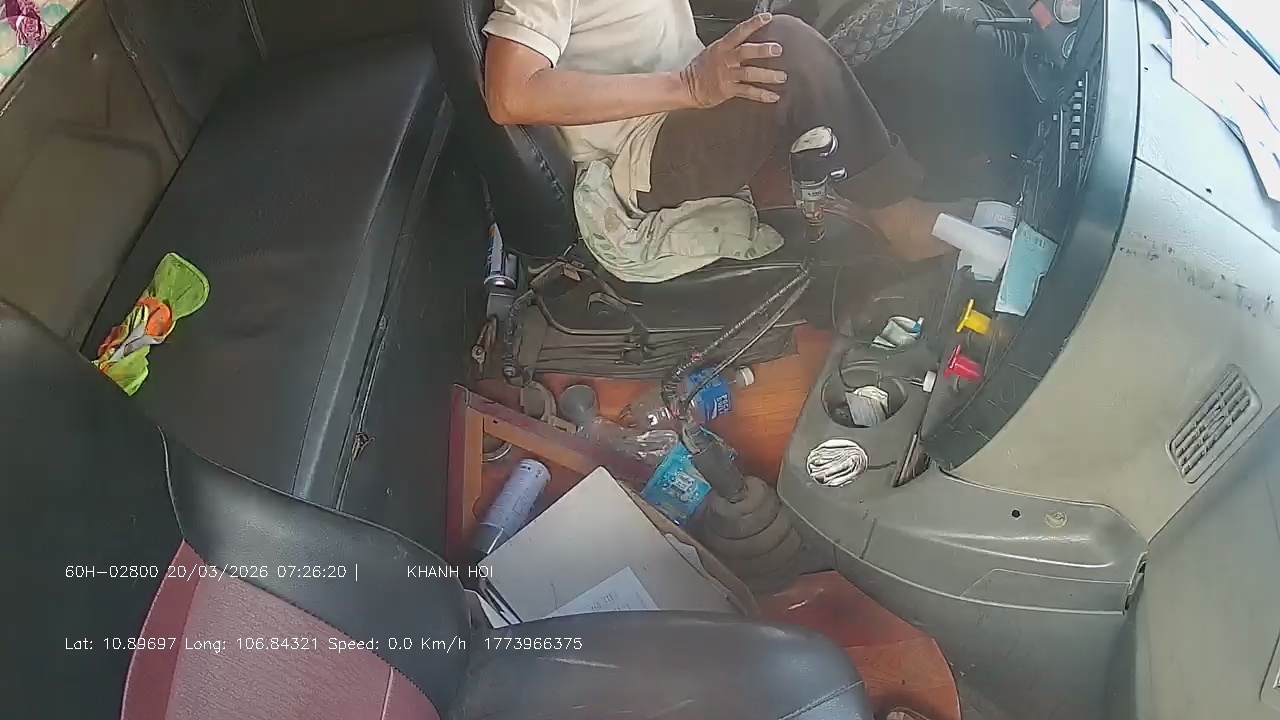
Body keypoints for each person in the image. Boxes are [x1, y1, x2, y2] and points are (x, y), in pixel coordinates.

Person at [482, 1, 950, 261]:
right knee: (784, 47)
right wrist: (689, 86)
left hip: (684, 97)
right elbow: (511, 95)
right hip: (643, 152)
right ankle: (898, 217)